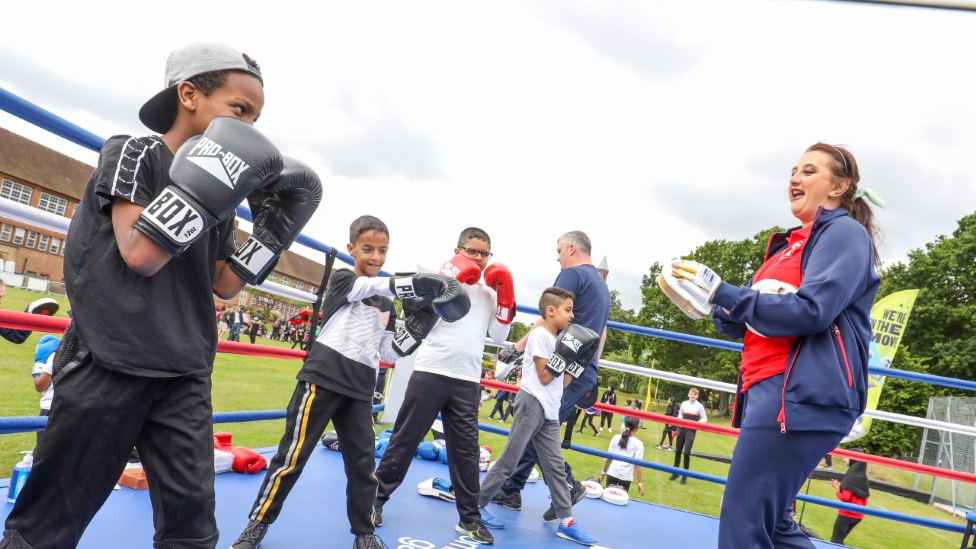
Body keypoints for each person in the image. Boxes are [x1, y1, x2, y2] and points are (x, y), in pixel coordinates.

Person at [0, 41, 326, 549]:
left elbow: (225, 284)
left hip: (184, 373)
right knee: (47, 526)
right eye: (239, 110)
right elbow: (141, 255)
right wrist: (210, 187)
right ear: (189, 94)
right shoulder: (134, 153)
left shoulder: (226, 199)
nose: (250, 128)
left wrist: (271, 234)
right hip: (110, 360)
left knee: (192, 529)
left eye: (256, 118)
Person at [667, 143, 882, 548]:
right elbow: (761, 319)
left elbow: (811, 311)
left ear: (839, 186)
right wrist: (718, 303)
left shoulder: (843, 233)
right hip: (772, 387)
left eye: (809, 171)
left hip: (798, 394)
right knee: (775, 524)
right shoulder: (787, 245)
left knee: (744, 523)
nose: (794, 179)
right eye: (793, 171)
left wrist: (726, 291)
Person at [229, 216, 468, 549]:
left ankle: (364, 533)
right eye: (368, 249)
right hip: (322, 379)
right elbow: (369, 286)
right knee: (292, 458)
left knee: (363, 466)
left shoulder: (387, 304)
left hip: (359, 390)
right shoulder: (345, 279)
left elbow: (389, 351)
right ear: (351, 248)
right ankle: (257, 525)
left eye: (383, 250)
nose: (376, 257)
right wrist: (417, 283)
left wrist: (421, 322)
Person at [373, 227, 514, 545]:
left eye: (484, 253)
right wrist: (444, 283)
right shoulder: (440, 280)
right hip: (431, 371)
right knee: (404, 440)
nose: (478, 258)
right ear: (459, 250)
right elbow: (412, 310)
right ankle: (375, 501)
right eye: (472, 251)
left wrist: (505, 296)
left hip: (467, 379)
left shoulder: (491, 291)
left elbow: (501, 337)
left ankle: (469, 520)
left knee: (466, 452)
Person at [494, 231, 611, 518]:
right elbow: (603, 333)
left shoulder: (572, 274)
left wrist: (517, 347)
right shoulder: (601, 285)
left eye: (559, 250)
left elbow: (550, 317)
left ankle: (567, 485)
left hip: (564, 369)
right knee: (539, 426)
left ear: (572, 248)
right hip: (581, 369)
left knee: (538, 426)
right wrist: (592, 367)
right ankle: (512, 487)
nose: (557, 257)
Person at [478, 288, 600, 546]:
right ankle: (476, 507)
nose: (572, 315)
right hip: (532, 403)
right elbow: (545, 377)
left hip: (550, 409)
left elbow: (562, 383)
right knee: (510, 461)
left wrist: (578, 362)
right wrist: (566, 354)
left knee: (555, 468)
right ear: (550, 310)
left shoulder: (558, 340)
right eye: (568, 310)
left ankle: (567, 522)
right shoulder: (540, 336)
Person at [668, 388, 707, 484]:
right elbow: (680, 414)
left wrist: (697, 424)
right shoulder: (684, 403)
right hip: (682, 429)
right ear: (688, 394)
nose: (693, 396)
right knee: (678, 451)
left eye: (695, 394)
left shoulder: (700, 406)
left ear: (697, 396)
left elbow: (704, 418)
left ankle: (684, 476)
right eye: (691, 394)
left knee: (686, 452)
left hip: (691, 430)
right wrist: (680, 422)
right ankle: (675, 473)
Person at [830, 451, 870, 545]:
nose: (844, 459)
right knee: (839, 541)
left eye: (846, 457)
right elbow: (853, 492)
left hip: (847, 514)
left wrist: (837, 492)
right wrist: (839, 487)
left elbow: (845, 497)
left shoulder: (851, 475)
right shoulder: (862, 475)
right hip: (858, 515)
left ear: (853, 459)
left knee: (835, 541)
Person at [601, 416, 645, 495]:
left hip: (613, 473)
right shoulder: (638, 444)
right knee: (619, 501)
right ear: (637, 427)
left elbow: (609, 458)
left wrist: (603, 472)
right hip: (626, 477)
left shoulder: (616, 437)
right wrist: (639, 482)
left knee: (608, 497)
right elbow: (637, 465)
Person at [31, 335, 60, 450]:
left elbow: (40, 385)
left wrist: (39, 365)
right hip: (76, 408)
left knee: (44, 451)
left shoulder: (58, 355)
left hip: (51, 408)